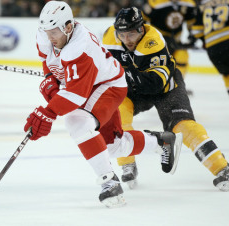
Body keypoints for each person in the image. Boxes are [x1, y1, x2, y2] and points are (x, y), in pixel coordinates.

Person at [24, 1, 183, 208]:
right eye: (46, 31)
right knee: (112, 146)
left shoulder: (79, 48)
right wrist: (48, 77)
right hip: (89, 87)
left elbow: (75, 95)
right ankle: (162, 141)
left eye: (54, 31)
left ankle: (109, 183)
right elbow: (48, 59)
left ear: (69, 27)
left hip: (109, 86)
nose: (49, 37)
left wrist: (48, 112)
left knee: (76, 122)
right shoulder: (47, 36)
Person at [102, 7, 229, 191]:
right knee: (117, 117)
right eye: (122, 35)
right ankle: (127, 162)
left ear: (141, 29)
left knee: (183, 126)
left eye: (131, 34)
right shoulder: (109, 38)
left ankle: (221, 167)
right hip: (133, 89)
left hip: (166, 87)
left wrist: (121, 74)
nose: (126, 40)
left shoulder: (153, 41)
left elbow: (155, 83)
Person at [142, 0, 197, 95]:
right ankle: (154, 86)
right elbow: (142, 21)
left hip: (176, 41)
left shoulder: (188, 3)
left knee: (182, 57)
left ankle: (177, 86)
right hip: (156, 41)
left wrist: (193, 35)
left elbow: (191, 21)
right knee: (157, 63)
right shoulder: (154, 2)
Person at [190, 0, 229, 95]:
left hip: (213, 50)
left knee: (226, 72)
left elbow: (196, 32)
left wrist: (206, 41)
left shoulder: (201, 6)